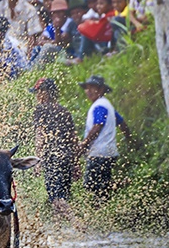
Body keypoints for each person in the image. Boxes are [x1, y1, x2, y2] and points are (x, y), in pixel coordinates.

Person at [78, 75, 134, 203]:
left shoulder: (100, 105)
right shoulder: (107, 105)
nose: (89, 91)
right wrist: (129, 139)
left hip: (99, 153)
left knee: (91, 185)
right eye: (87, 88)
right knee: (101, 187)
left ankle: (119, 184)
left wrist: (84, 144)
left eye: (93, 88)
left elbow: (98, 126)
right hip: (109, 153)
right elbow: (122, 123)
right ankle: (114, 188)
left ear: (102, 89)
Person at [30, 78, 77, 217]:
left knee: (56, 198)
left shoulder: (40, 109)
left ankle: (78, 225)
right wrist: (75, 163)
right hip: (66, 157)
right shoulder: (64, 111)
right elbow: (73, 139)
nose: (37, 96)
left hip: (52, 157)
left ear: (45, 92)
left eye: (38, 92)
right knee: (62, 197)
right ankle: (58, 233)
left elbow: (40, 136)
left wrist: (37, 161)